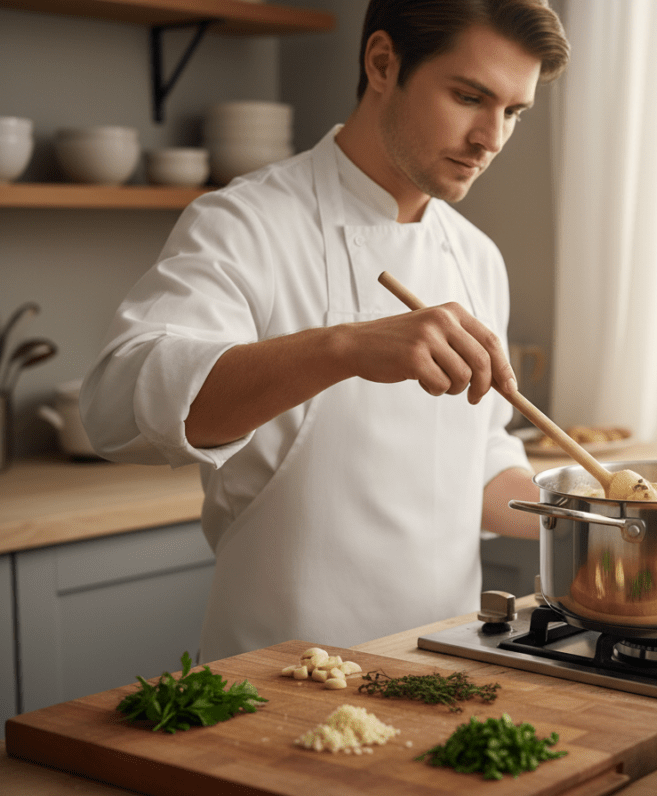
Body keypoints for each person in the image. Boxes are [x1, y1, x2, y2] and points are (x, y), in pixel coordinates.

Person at [80, 0, 570, 663]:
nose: (492, 137)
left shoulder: (477, 257)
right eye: (469, 96)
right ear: (382, 63)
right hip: (279, 677)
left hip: (445, 671)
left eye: (513, 112)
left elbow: (475, 459)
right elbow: (118, 403)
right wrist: (345, 347)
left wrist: (586, 512)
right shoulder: (245, 222)